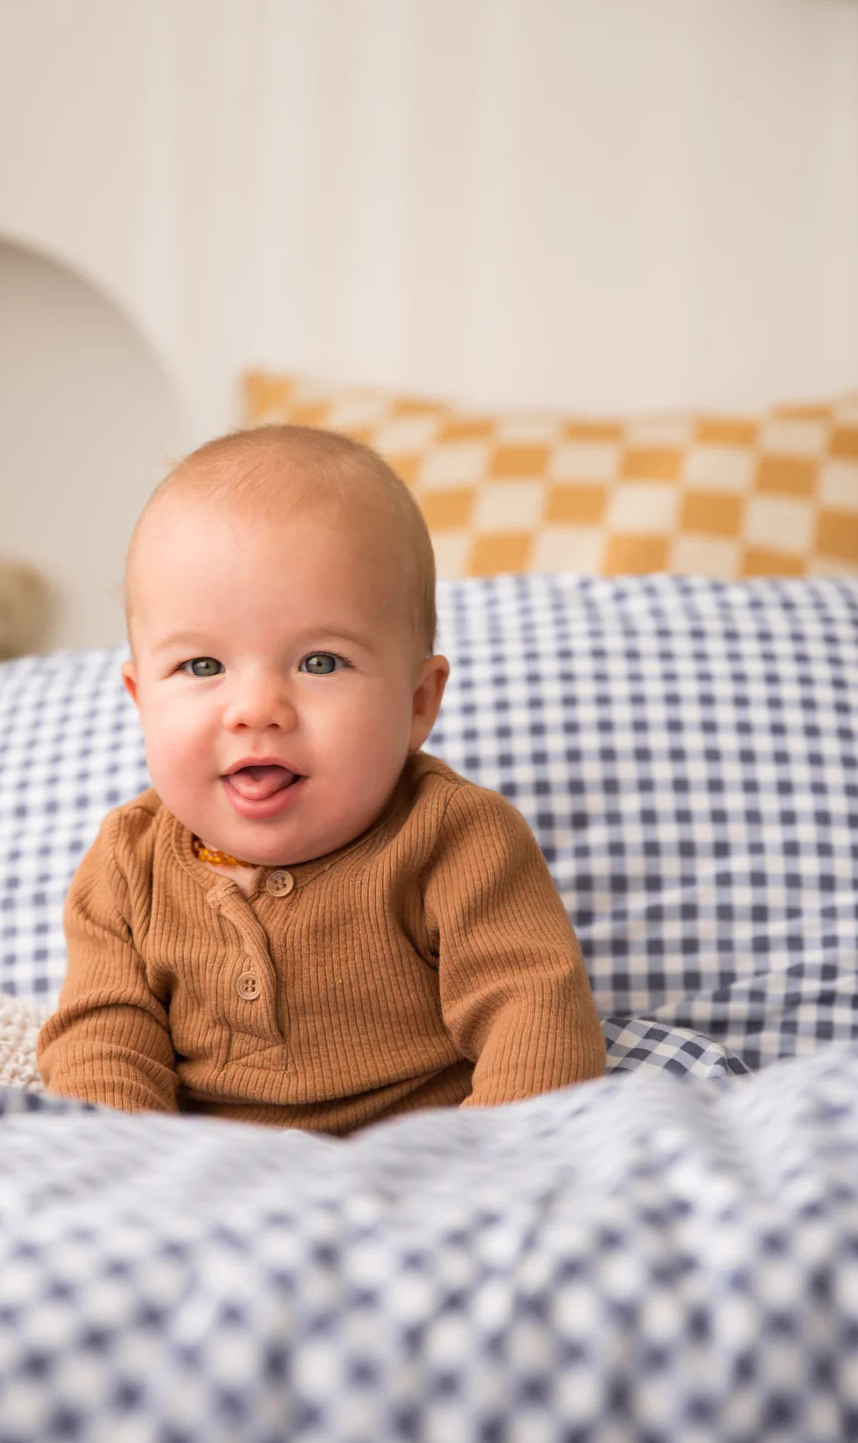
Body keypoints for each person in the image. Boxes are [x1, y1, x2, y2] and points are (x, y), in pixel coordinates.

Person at [36, 424, 606, 1132]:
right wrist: (122, 1166)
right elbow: (103, 1042)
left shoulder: (457, 838)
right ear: (140, 699)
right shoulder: (128, 862)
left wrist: (495, 1167)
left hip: (429, 1158)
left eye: (320, 662)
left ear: (417, 702)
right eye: (203, 667)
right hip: (201, 1181)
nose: (255, 711)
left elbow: (534, 1014)